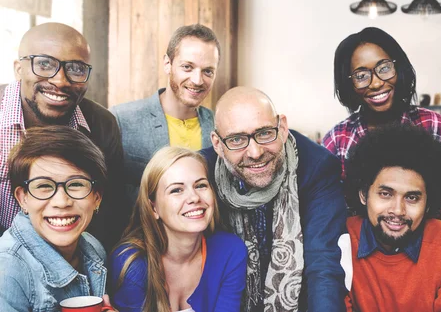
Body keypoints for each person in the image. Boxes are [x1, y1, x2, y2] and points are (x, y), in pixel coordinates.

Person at [202, 86, 348, 312]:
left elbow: (323, 265)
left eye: (264, 133)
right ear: (218, 144)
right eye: (237, 139)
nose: (255, 152)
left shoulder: (317, 167)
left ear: (282, 128)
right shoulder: (202, 173)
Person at [0, 22, 127, 251]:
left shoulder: (102, 125)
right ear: (19, 68)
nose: (60, 81)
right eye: (44, 64)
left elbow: (111, 214)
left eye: (76, 69)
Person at [322, 27, 441, 222]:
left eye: (384, 68)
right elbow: (331, 212)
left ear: (399, 68)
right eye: (361, 76)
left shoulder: (436, 128)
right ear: (349, 84)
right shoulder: (338, 141)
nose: (375, 84)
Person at [344, 123, 441, 311]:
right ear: (364, 195)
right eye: (386, 194)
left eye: (412, 197)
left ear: (428, 204)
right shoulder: (343, 237)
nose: (398, 210)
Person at [110, 146, 247, 312]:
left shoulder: (230, 251)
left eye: (200, 185)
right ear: (153, 207)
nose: (194, 198)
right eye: (176, 190)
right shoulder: (130, 261)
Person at [0, 126, 116, 312]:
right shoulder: (7, 269)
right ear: (23, 198)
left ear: (96, 197)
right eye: (44, 186)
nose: (62, 202)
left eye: (76, 184)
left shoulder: (94, 249)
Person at [111, 24, 218, 204]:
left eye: (208, 71)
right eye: (187, 67)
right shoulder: (121, 119)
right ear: (168, 64)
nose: (197, 80)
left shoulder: (218, 126)